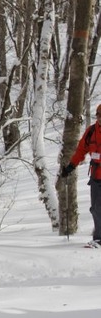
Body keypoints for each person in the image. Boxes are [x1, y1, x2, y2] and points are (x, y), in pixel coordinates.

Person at [61, 103, 101, 246]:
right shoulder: (91, 132)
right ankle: (98, 238)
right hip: (96, 177)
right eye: (99, 115)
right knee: (96, 208)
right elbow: (80, 151)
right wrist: (71, 166)